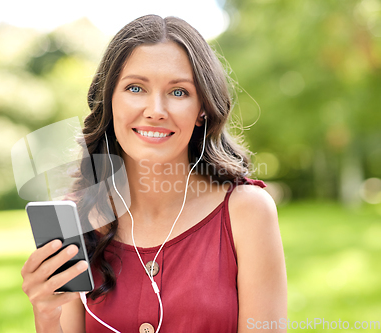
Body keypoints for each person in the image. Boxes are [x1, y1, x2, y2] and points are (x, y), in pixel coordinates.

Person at [21, 14, 287, 333]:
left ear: (202, 108)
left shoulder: (248, 212)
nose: (155, 110)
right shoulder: (76, 219)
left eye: (178, 92)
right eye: (136, 88)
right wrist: (46, 315)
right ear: (110, 100)